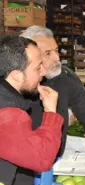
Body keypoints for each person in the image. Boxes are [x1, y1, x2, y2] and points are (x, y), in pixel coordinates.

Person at [20, 26, 85, 154]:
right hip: (29, 157)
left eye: (56, 50)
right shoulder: (19, 84)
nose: (57, 58)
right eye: (48, 53)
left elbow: (78, 96)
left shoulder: (63, 76)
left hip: (55, 149)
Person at [0, 36, 64, 185]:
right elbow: (42, 159)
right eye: (37, 67)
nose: (43, 72)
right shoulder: (8, 116)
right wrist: (50, 112)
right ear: (17, 75)